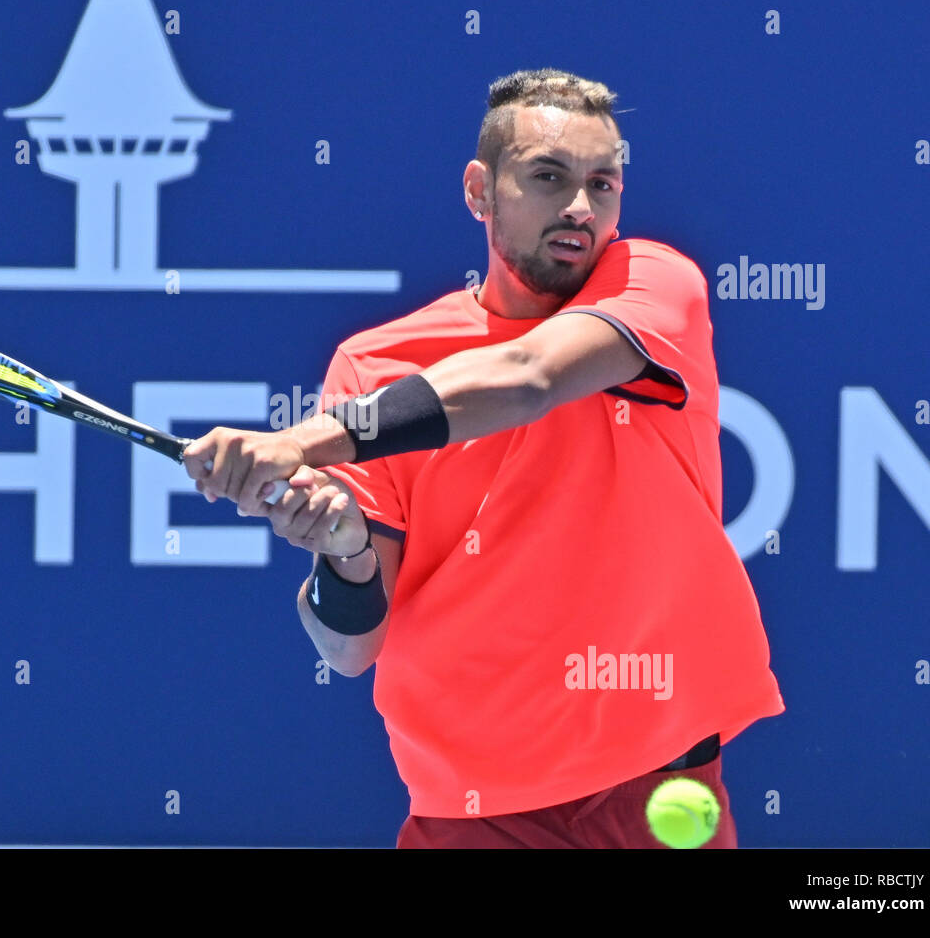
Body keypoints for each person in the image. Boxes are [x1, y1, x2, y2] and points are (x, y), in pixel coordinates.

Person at [181, 69, 784, 848]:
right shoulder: (372, 366)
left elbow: (529, 378)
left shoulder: (655, 284)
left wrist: (299, 441)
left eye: (603, 184)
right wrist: (345, 553)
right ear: (479, 189)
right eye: (548, 176)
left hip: (656, 793)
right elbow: (348, 649)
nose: (580, 207)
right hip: (468, 812)